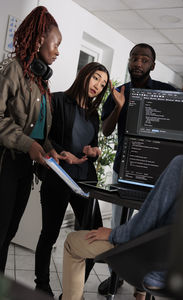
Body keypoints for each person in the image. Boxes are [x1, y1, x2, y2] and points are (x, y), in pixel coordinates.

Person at [99, 43, 177, 294]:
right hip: (124, 169)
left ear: (152, 65)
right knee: (120, 223)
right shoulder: (118, 91)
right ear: (129, 61)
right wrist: (120, 106)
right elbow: (106, 130)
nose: (138, 63)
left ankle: (141, 284)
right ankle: (115, 277)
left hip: (155, 173)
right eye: (135, 58)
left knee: (149, 226)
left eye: (144, 60)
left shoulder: (166, 91)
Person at [60, 154, 183, 300]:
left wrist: (113, 234)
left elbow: (144, 225)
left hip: (155, 267)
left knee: (72, 242)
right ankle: (141, 293)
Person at [0, 6, 66, 275]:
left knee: (8, 234)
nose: (58, 51)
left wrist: (51, 150)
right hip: (6, 165)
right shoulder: (12, 70)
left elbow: (38, 132)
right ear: (39, 40)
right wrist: (30, 146)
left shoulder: (41, 82)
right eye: (56, 44)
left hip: (25, 170)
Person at [34, 62, 110, 297]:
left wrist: (94, 152)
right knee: (50, 234)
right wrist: (61, 153)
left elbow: (94, 146)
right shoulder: (55, 100)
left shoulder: (93, 115)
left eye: (103, 84)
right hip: (58, 178)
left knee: (94, 235)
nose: (98, 85)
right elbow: (41, 136)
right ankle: (42, 286)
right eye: (96, 78)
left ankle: (70, 293)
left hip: (84, 183)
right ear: (84, 75)